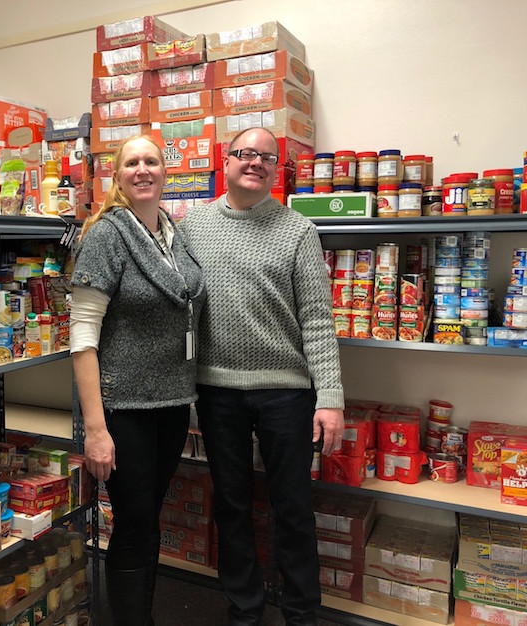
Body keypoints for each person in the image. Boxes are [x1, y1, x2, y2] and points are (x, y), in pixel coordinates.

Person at [179, 127, 345, 626]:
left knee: (292, 508)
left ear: (277, 170)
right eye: (245, 154)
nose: (255, 163)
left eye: (266, 157)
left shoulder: (299, 231)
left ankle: (301, 615)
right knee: (230, 506)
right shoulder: (192, 227)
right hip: (216, 392)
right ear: (225, 163)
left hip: (286, 394)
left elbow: (318, 319)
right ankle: (245, 612)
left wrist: (330, 396)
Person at [69, 135, 205, 626]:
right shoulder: (106, 234)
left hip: (170, 404)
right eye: (132, 163)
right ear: (118, 176)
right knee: (132, 521)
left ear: (166, 172)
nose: (142, 169)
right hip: (122, 409)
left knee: (149, 518)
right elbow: (83, 338)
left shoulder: (173, 232)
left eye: (151, 161)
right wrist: (96, 429)